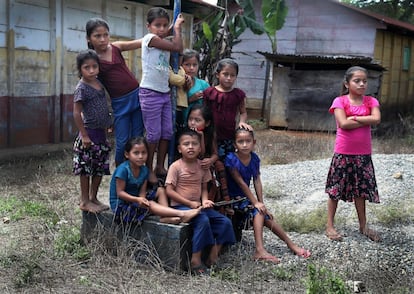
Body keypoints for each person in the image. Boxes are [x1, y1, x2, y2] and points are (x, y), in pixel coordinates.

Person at [225, 127, 311, 263]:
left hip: (245, 199)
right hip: (232, 199)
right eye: (240, 142)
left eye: (248, 141)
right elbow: (241, 183)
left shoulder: (254, 158)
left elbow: (257, 180)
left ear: (254, 142)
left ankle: (290, 243)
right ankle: (260, 249)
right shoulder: (231, 159)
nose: (245, 144)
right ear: (235, 144)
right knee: (259, 212)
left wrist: (261, 202)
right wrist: (255, 203)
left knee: (263, 213)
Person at [165, 129, 236, 275]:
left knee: (225, 222)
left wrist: (205, 201)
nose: (190, 147)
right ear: (179, 148)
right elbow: (169, 191)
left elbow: (204, 188)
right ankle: (195, 260)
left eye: (194, 144)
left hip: (198, 206)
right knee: (202, 220)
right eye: (186, 144)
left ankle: (212, 256)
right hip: (181, 207)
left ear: (200, 148)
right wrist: (190, 204)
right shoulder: (176, 166)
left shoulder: (202, 166)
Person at [325, 66, 381, 242]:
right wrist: (365, 121)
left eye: (364, 81)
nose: (362, 84)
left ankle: (363, 226)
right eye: (357, 81)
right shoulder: (340, 101)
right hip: (343, 153)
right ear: (347, 83)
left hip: (363, 154)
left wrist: (355, 119)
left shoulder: (371, 101)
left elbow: (376, 119)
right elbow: (343, 123)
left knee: (361, 191)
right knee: (335, 190)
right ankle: (329, 226)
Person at [86, 17, 144, 166]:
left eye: (105, 35)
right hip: (119, 103)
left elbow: (143, 42)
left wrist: (165, 32)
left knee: (138, 137)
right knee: (122, 140)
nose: (102, 39)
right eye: (97, 36)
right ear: (88, 38)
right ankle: (120, 173)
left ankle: (136, 172)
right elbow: (90, 84)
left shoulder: (116, 47)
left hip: (137, 96)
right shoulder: (93, 61)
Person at [109, 137, 201, 224]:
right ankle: (182, 214)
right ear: (127, 154)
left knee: (160, 190)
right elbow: (120, 193)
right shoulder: (123, 170)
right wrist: (138, 200)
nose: (140, 156)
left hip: (136, 199)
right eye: (136, 153)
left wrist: (142, 199)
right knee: (151, 204)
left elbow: (142, 191)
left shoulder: (144, 170)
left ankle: (165, 216)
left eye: (143, 153)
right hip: (121, 206)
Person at [139, 7, 184, 184]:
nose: (161, 29)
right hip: (150, 93)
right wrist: (177, 29)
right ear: (148, 26)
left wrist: (174, 28)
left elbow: (177, 45)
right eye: (157, 25)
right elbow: (177, 47)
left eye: (165, 25)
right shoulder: (149, 39)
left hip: (164, 93)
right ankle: (148, 169)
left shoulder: (162, 40)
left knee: (167, 132)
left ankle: (160, 166)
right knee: (153, 135)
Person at [73, 49, 112, 213]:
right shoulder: (82, 87)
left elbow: (104, 106)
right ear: (80, 69)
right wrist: (84, 135)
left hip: (100, 134)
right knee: (86, 169)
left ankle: (94, 197)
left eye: (94, 67)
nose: (91, 70)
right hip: (88, 134)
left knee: (99, 168)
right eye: (86, 67)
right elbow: (76, 112)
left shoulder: (99, 83)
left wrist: (108, 124)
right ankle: (84, 200)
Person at [203, 58, 253, 161]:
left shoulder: (238, 94)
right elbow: (203, 112)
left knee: (227, 162)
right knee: (210, 160)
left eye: (232, 75)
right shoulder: (209, 92)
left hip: (229, 135)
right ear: (218, 74)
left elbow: (243, 112)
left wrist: (242, 122)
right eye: (225, 74)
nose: (229, 78)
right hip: (211, 135)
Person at [187, 104, 231, 209]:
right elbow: (200, 154)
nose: (193, 123)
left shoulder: (211, 134)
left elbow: (215, 154)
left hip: (206, 161)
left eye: (197, 120)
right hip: (192, 160)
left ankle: (225, 201)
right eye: (190, 119)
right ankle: (207, 201)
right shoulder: (187, 135)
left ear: (207, 123)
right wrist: (200, 137)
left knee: (219, 165)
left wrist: (211, 160)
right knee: (205, 170)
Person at [180, 49, 209, 126]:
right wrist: (190, 99)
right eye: (187, 64)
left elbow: (208, 106)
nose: (191, 68)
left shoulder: (203, 85)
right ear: (181, 65)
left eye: (194, 65)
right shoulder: (177, 85)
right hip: (181, 124)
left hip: (199, 125)